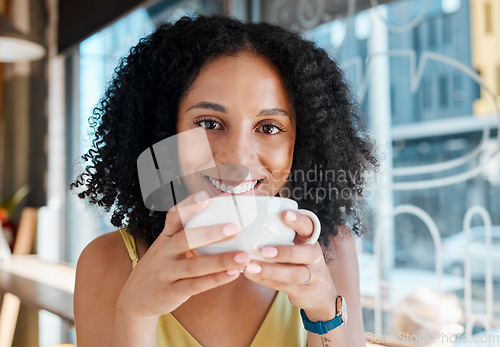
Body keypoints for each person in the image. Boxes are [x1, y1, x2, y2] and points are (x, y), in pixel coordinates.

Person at [72, 14, 377, 347]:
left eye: (269, 128)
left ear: (301, 145)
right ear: (163, 133)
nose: (238, 157)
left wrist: (323, 311)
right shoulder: (106, 262)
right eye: (209, 123)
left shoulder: (330, 251)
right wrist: (136, 313)